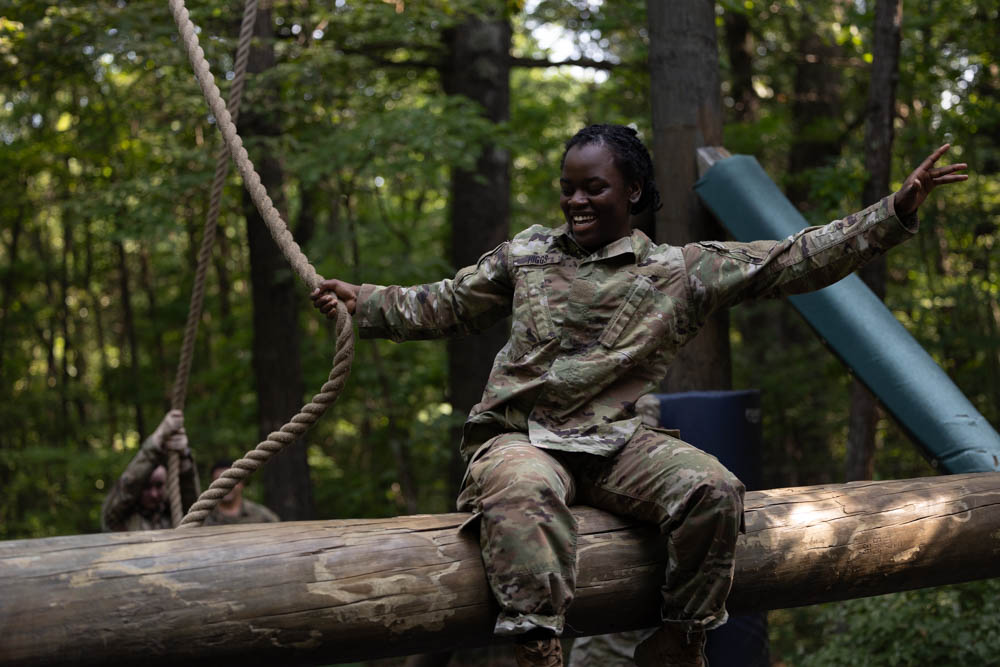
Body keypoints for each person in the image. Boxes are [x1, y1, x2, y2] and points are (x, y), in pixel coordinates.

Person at [310, 125, 966, 667]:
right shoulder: (529, 255)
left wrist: (894, 212)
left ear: (633, 191)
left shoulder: (677, 271)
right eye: (567, 188)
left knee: (711, 489)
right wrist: (361, 302)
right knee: (524, 491)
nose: (576, 201)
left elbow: (794, 258)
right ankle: (538, 646)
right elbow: (444, 304)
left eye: (593, 187)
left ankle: (680, 637)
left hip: (616, 443)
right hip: (521, 435)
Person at [101, 409, 200, 532]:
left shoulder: (173, 516)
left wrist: (184, 457)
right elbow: (125, 489)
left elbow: (192, 504)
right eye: (146, 487)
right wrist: (156, 441)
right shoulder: (121, 519)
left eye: (159, 486)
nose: (153, 494)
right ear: (138, 488)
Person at [201, 459, 280, 525]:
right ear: (211, 485)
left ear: (242, 483)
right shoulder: (203, 518)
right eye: (219, 481)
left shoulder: (263, 516)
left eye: (231, 480)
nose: (225, 486)